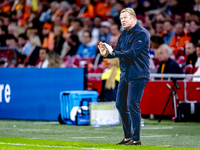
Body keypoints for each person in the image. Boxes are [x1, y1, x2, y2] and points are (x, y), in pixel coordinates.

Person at [98, 7, 150, 146]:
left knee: (132, 104)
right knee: (120, 104)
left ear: (134, 18)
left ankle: (136, 139)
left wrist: (113, 53)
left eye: (125, 18)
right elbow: (118, 52)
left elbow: (132, 53)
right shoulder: (124, 34)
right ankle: (128, 137)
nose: (123, 21)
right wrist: (106, 53)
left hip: (138, 74)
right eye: (121, 19)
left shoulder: (142, 33)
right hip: (126, 74)